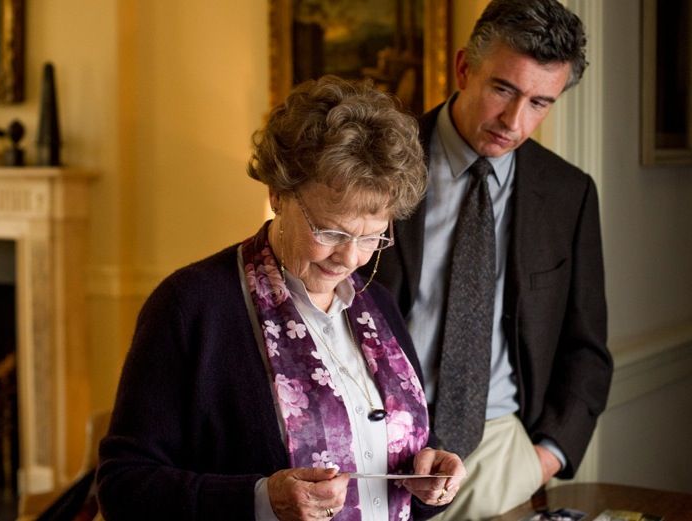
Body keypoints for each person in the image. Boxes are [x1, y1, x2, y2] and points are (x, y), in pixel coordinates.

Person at [96, 76, 466, 521]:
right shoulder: (190, 307)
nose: (348, 258)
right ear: (278, 194)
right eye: (329, 231)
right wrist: (259, 501)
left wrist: (429, 477)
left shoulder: (378, 305)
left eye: (371, 238)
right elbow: (123, 486)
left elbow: (392, 483)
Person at [360, 0, 613, 518]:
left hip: (499, 456)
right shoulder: (377, 164)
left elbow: (586, 346)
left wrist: (545, 457)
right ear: (463, 68)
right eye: (503, 89)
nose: (514, 122)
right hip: (374, 449)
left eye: (540, 103)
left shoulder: (570, 194)